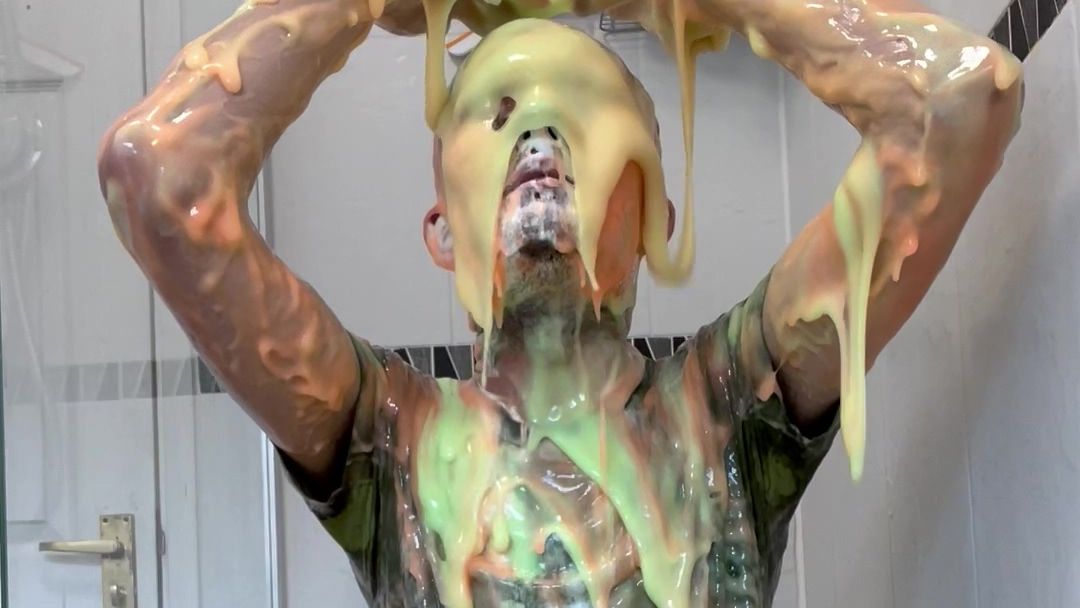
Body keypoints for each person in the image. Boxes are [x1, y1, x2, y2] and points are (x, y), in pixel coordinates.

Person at [96, 0, 1023, 605]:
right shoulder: (387, 443)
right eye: (497, 113)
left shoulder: (729, 413)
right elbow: (157, 177)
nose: (540, 137)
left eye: (585, 112)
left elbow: (962, 101)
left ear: (656, 218)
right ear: (442, 232)